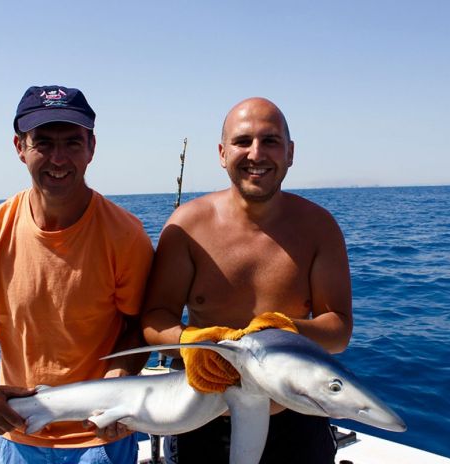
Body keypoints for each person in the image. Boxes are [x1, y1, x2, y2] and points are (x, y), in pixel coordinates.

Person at [0, 85, 153, 464]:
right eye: (43, 143)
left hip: (99, 436)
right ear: (19, 147)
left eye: (72, 143)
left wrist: (120, 378)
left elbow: (139, 322)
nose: (58, 158)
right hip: (19, 434)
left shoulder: (125, 235)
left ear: (91, 147)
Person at [141, 97, 353, 463]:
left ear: (290, 152)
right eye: (242, 142)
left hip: (297, 418)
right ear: (222, 153)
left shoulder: (320, 228)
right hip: (201, 417)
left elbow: (339, 329)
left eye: (270, 141)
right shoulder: (186, 226)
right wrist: (191, 343)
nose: (256, 154)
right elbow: (154, 320)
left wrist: (284, 330)